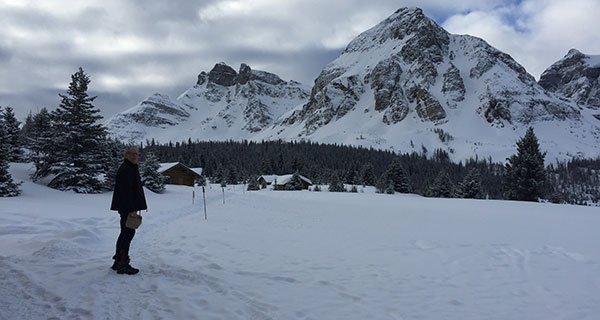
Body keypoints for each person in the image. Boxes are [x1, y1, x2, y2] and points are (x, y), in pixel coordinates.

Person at [110, 146, 147, 275]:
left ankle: (118, 261)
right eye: (131, 154)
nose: (134, 156)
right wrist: (132, 209)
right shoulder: (126, 169)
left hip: (126, 207)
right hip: (127, 208)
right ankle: (123, 264)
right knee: (128, 234)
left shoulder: (130, 167)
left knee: (124, 233)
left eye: (136, 154)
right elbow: (126, 192)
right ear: (126, 155)